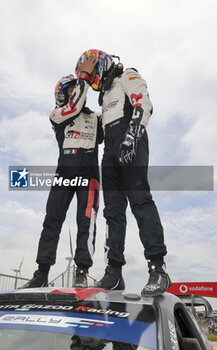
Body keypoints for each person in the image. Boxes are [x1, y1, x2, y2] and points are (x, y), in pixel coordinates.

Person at [76, 49, 171, 296]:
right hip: (109, 151)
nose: (94, 81)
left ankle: (158, 269)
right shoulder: (104, 96)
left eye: (93, 75)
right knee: (113, 213)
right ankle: (114, 272)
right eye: (91, 80)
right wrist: (83, 84)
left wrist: (132, 136)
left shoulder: (126, 75)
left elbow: (144, 103)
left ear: (102, 64)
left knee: (140, 201)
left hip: (131, 140)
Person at [22, 62, 103, 288]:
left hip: (90, 175)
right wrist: (84, 79)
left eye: (75, 88)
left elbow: (114, 124)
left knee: (87, 223)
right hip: (64, 173)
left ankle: (81, 271)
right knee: (52, 221)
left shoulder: (96, 118)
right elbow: (74, 107)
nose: (75, 92)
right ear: (61, 94)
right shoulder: (57, 114)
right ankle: (42, 272)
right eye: (70, 89)